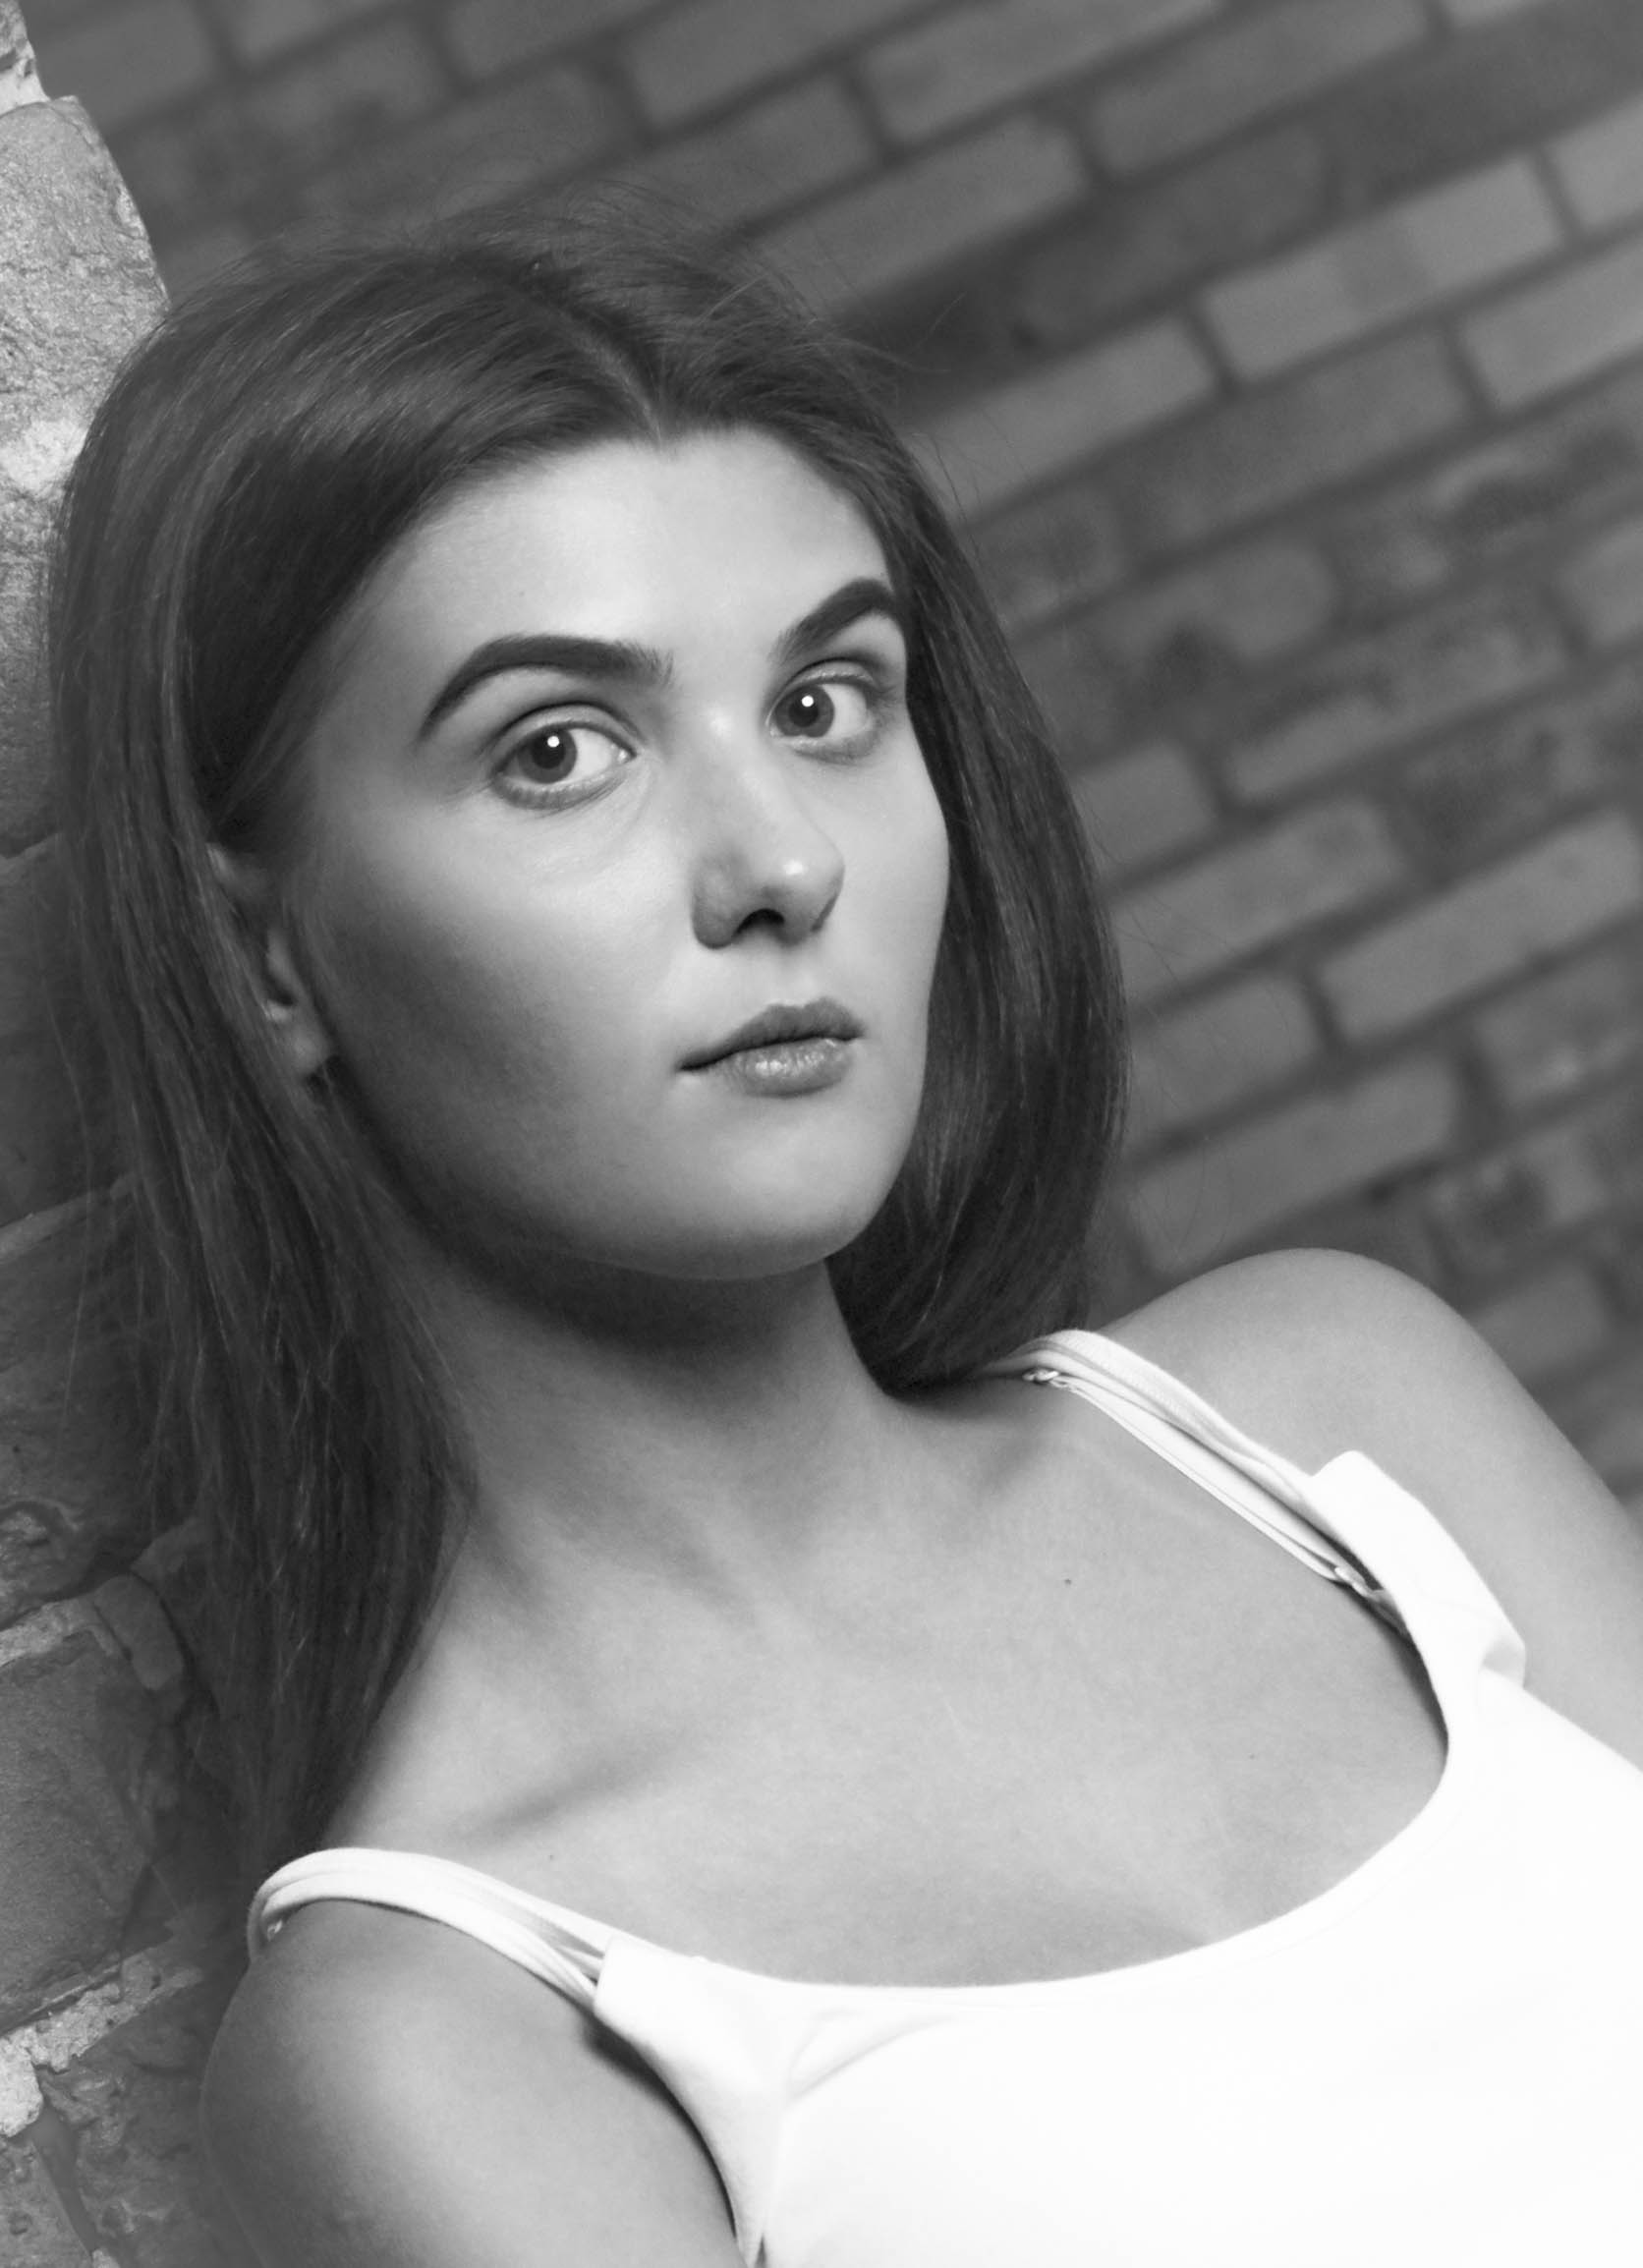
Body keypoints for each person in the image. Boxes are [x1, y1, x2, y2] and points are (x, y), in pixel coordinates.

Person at [48, 211, 1643, 2267]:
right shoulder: (443, 2040)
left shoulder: (1335, 1423)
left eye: (824, 701)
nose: (781, 860)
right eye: (558, 750)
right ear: (266, 955)